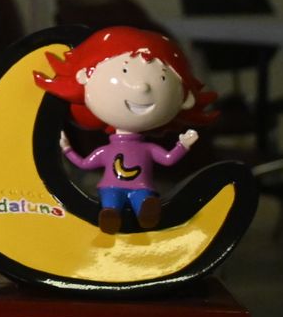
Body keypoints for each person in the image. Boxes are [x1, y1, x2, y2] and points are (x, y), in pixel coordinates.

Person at [35, 26, 218, 233]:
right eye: (125, 71)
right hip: (112, 188)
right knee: (112, 202)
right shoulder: (113, 151)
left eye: (162, 79)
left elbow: (167, 159)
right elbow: (85, 163)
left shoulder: (144, 149)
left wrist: (183, 145)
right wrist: (67, 148)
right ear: (85, 76)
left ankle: (144, 212)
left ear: (185, 99)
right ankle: (111, 214)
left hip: (141, 187)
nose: (142, 88)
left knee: (144, 200)